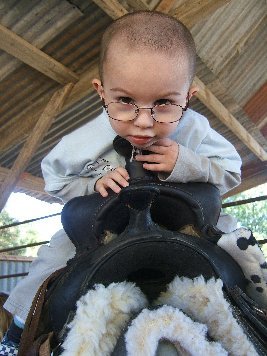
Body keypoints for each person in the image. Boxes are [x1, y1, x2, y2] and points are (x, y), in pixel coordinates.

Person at [1, 10, 241, 355]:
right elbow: (56, 179)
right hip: (105, 224)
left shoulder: (197, 130)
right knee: (52, 258)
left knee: (240, 248)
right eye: (126, 101)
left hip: (183, 219)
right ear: (102, 92)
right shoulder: (81, 140)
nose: (144, 122)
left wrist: (187, 163)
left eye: (164, 103)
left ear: (189, 97)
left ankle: (256, 310)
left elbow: (230, 172)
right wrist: (94, 182)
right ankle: (19, 331)